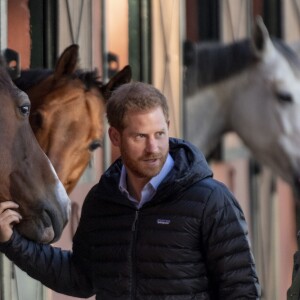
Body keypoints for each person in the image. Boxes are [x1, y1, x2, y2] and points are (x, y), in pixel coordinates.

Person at [0, 81, 260, 299]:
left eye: (159, 134)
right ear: (115, 137)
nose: (153, 148)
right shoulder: (102, 201)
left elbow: (241, 290)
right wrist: (11, 242)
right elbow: (79, 278)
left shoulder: (210, 200)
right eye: (140, 137)